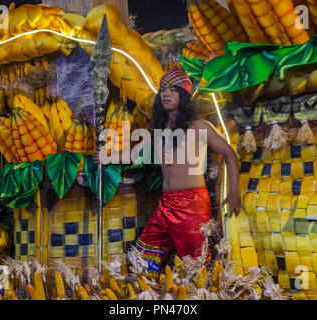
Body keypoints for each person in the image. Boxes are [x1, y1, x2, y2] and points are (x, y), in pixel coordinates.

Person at [94, 66, 241, 276]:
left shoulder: (199, 126)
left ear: (183, 96)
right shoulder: (158, 130)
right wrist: (106, 156)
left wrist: (234, 192)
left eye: (172, 89)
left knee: (196, 270)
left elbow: (229, 153)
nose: (166, 93)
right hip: (166, 204)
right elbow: (134, 155)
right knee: (142, 263)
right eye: (163, 89)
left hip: (192, 205)